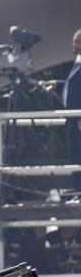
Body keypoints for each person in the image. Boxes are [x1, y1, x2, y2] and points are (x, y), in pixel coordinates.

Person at [60, 28, 81, 193]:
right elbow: (73, 87)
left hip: (78, 118)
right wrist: (58, 85)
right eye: (75, 41)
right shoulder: (78, 62)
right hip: (72, 119)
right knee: (75, 156)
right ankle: (78, 190)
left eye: (78, 42)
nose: (74, 45)